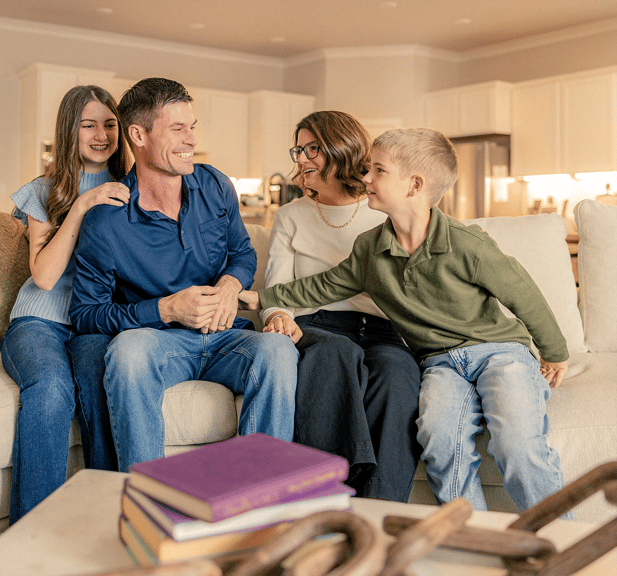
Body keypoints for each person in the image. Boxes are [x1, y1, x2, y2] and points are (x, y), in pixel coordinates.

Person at [240, 127, 571, 514]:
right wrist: (262, 298)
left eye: (377, 171)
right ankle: (473, 536)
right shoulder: (370, 249)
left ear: (414, 185)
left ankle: (566, 537)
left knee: (516, 444)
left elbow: (523, 295)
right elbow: (322, 286)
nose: (365, 179)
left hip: (500, 352)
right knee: (439, 442)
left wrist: (555, 353)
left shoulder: (468, 244)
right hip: (441, 363)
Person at [69, 77, 298, 470]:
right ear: (138, 134)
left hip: (224, 338)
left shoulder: (214, 184)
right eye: (177, 129)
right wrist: (165, 309)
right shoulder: (106, 220)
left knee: (278, 349)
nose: (190, 139)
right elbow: (85, 314)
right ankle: (147, 499)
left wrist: (229, 285)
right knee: (127, 351)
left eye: (191, 127)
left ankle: (258, 499)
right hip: (159, 344)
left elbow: (242, 253)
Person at [262, 111, 421, 501]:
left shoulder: (383, 209)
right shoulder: (291, 215)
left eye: (312, 148)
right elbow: (276, 291)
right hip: (319, 326)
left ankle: (380, 509)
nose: (301, 159)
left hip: (383, 329)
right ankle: (327, 493)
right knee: (337, 351)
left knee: (397, 371)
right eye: (298, 149)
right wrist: (278, 314)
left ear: (342, 148)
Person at [0, 85, 131, 523]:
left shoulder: (134, 189)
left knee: (103, 387)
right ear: (68, 131)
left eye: (109, 124)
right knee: (53, 390)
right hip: (39, 320)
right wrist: (81, 206)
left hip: (93, 323)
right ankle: (33, 534)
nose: (100, 134)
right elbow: (45, 276)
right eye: (88, 125)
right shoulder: (45, 190)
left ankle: (106, 520)